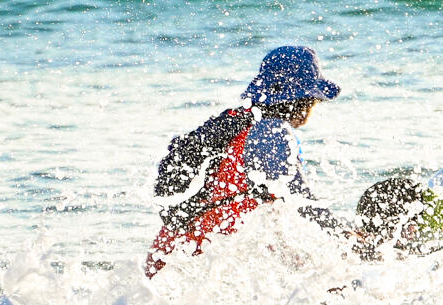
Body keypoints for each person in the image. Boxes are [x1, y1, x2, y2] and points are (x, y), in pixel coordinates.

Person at [145, 45, 348, 276]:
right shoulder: (272, 133)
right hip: (189, 265)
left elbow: (269, 221)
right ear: (305, 98)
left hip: (170, 256)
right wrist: (345, 239)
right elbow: (303, 203)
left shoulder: (238, 125)